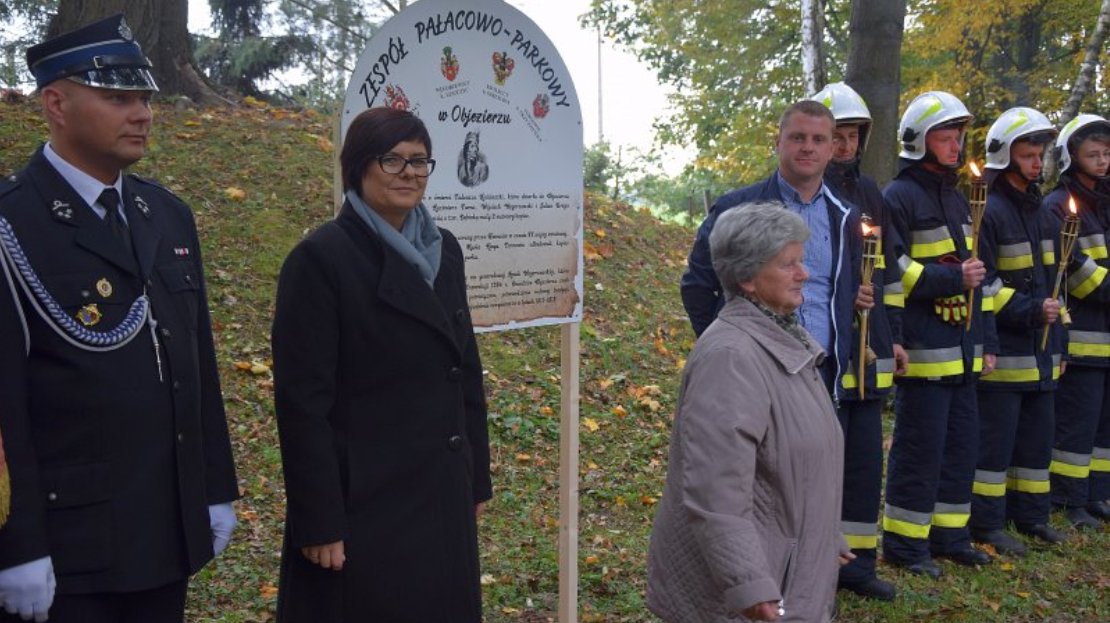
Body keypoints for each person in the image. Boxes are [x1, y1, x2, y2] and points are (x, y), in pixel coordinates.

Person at [0, 14, 238, 623]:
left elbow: (196, 361)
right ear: (56, 102)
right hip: (70, 546)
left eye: (144, 98)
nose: (142, 114)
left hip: (165, 528)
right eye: (117, 98)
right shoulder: (12, 223)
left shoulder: (166, 215)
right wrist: (16, 542)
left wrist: (214, 486)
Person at [272, 107, 492, 622]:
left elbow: (464, 370)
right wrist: (319, 520)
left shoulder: (445, 251)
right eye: (391, 160)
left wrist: (474, 476)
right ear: (358, 168)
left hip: (438, 488)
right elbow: (303, 404)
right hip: (366, 503)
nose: (409, 173)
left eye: (419, 161)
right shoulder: (321, 260)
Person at [648, 201, 849, 623]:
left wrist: (822, 533)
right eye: (788, 265)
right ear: (747, 278)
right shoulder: (732, 357)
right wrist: (748, 582)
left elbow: (791, 465)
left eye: (801, 261)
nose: (804, 275)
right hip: (750, 590)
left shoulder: (783, 337)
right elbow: (715, 487)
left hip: (786, 565)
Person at [881, 91, 997, 578]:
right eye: (945, 138)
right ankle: (906, 547)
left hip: (966, 356)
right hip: (927, 354)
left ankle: (951, 537)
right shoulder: (898, 196)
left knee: (961, 449)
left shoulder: (959, 195)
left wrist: (988, 341)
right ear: (917, 142)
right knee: (918, 453)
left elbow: (983, 277)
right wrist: (952, 280)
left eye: (958, 138)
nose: (955, 146)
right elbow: (896, 269)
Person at [681, 100, 862, 401]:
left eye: (818, 140)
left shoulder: (846, 217)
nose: (808, 147)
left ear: (831, 149)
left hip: (824, 370)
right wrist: (725, 347)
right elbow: (697, 287)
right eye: (797, 137)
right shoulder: (737, 209)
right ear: (778, 143)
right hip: (753, 370)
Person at [809, 82, 903, 601]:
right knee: (823, 464)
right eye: (835, 137)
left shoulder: (870, 194)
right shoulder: (811, 193)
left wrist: (897, 338)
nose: (843, 147)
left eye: (851, 137)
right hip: (829, 352)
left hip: (871, 351)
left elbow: (884, 275)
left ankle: (859, 567)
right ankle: (816, 564)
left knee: (866, 463)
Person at [970, 107, 1067, 554]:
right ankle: (988, 525)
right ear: (1005, 157)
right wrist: (1030, 311)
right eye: (1027, 155)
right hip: (1005, 354)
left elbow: (1055, 283)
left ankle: (1030, 517)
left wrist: (1058, 340)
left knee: (1036, 443)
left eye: (1038, 155)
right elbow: (985, 284)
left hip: (1042, 353)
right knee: (994, 449)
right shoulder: (988, 209)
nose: (1035, 163)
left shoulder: (1041, 212)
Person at [1043, 114, 1110, 529]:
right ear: (1071, 157)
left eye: (1107, 153)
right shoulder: (1059, 205)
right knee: (1076, 427)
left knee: (1104, 429)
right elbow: (1071, 270)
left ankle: (1098, 494)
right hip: (1081, 339)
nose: (1103, 161)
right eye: (1093, 154)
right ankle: (1068, 501)